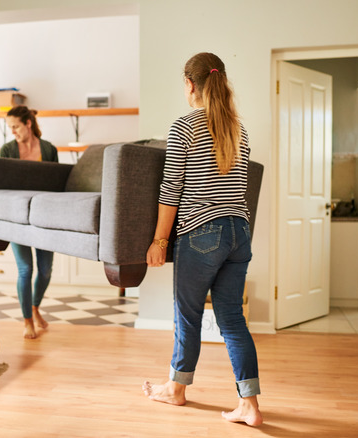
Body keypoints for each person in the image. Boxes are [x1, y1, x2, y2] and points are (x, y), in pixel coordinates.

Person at [142, 52, 262, 427]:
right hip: (239, 233)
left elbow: (171, 189)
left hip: (202, 233)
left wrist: (159, 242)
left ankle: (176, 390)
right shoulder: (238, 128)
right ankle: (250, 406)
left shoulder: (185, 126)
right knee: (232, 321)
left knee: (188, 316)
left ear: (190, 84)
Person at [0, 105, 59, 339]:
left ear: (28, 124)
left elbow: (57, 182)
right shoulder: (7, 150)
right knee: (25, 270)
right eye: (10, 128)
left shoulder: (48, 149)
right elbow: (1, 184)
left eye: (15, 126)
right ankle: (27, 321)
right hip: (17, 219)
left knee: (45, 271)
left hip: (45, 217)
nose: (12, 131)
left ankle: (34, 307)